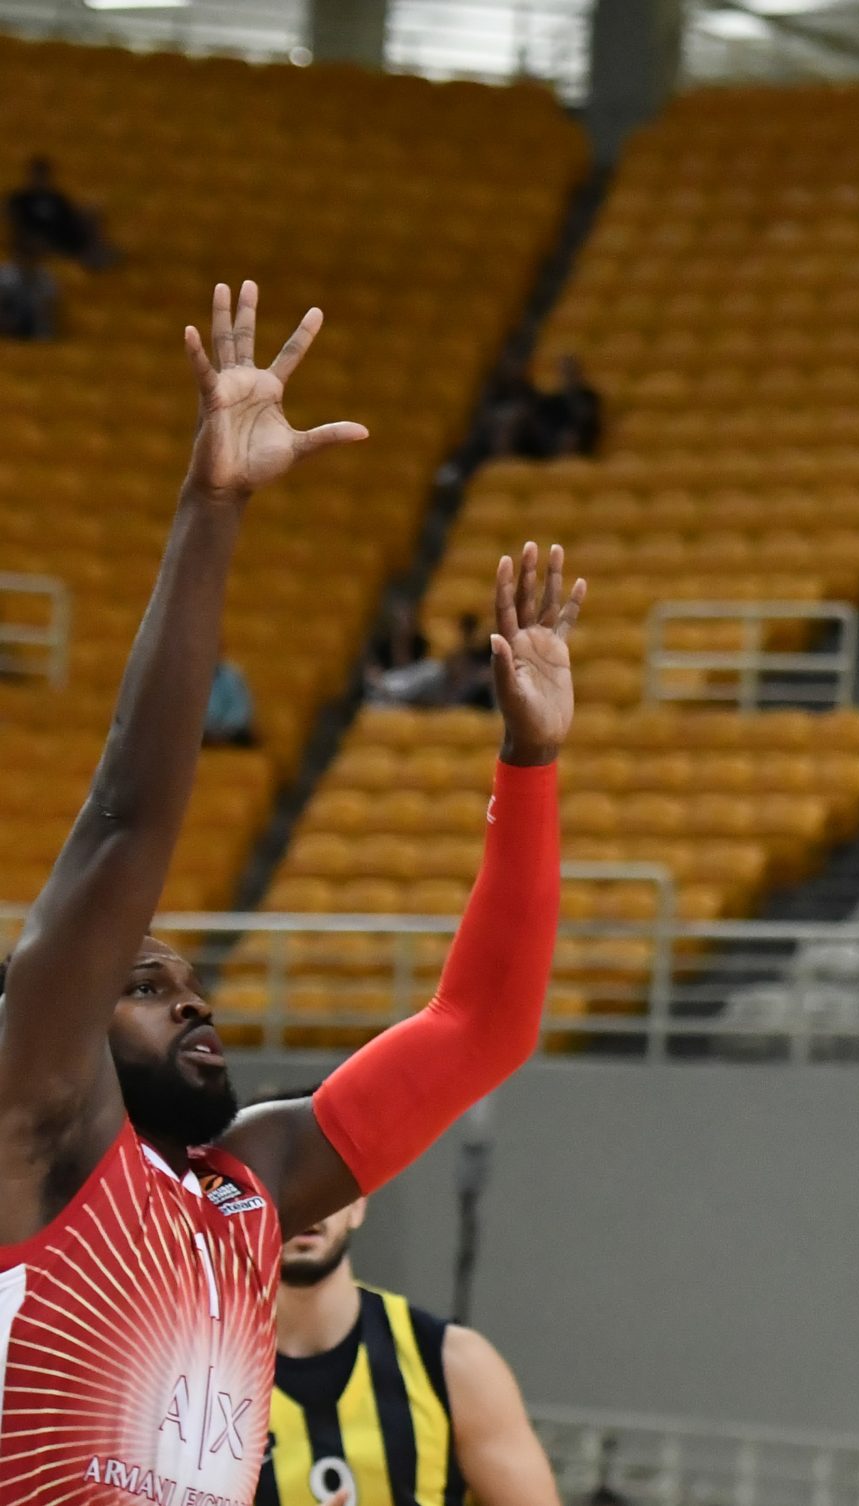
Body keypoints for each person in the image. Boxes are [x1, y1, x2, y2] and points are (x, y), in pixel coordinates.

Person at [0, 281, 586, 1505]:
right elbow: (125, 826)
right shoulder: (33, 1126)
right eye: (146, 987)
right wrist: (211, 508)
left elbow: (482, 1028)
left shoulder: (245, 1187)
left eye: (190, 984)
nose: (194, 1003)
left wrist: (528, 767)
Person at [259, 1197, 558, 1506]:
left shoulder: (455, 1361)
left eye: (326, 1187)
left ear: (358, 1206)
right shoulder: (223, 1377)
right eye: (285, 1189)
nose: (306, 1202)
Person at [5, 155, 111, 266]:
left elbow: (70, 215)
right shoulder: (20, 199)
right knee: (35, 242)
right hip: (37, 239)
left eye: (43, 176)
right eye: (37, 176)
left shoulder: (57, 198)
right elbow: (16, 223)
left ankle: (94, 255)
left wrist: (87, 213)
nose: (40, 180)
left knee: (90, 217)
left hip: (61, 235)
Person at [0, 232, 59, 341]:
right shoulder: (4, 276)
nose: (27, 260)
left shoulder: (45, 280)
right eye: (24, 255)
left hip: (34, 334)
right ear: (16, 255)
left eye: (32, 256)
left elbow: (48, 315)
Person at [204, 656, 259, 747]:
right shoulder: (190, 675)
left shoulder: (232, 675)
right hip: (203, 732)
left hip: (230, 732)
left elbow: (241, 710)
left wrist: (224, 729)